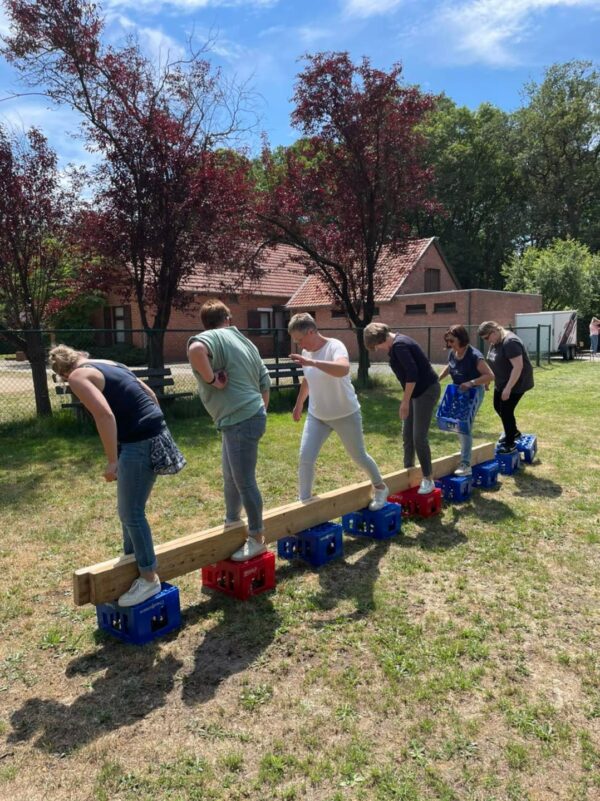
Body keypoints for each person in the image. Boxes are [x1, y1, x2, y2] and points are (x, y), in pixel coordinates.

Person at [48, 345, 184, 607]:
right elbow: (149, 394)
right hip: (154, 432)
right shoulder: (109, 362)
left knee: (131, 513)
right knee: (129, 509)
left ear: (63, 374)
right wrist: (153, 425)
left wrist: (113, 461)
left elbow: (104, 414)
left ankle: (149, 578)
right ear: (80, 356)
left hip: (139, 442)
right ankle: (132, 562)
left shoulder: (77, 377)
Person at [188, 300, 271, 562]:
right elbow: (265, 381)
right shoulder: (246, 342)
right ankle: (233, 522)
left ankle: (257, 538)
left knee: (244, 480)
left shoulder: (212, 337)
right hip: (245, 417)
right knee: (231, 476)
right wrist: (260, 410)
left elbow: (196, 349)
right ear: (228, 317)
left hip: (240, 420)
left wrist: (213, 380)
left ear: (206, 323)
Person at [287, 313, 389, 508]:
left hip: (345, 414)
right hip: (317, 416)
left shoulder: (335, 346)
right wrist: (299, 403)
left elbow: (343, 369)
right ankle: (304, 502)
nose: (298, 344)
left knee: (358, 456)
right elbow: (308, 379)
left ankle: (380, 487)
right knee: (305, 458)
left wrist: (313, 362)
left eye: (299, 339)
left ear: (311, 331)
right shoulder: (306, 353)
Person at [364, 322, 440, 495]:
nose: (378, 349)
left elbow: (412, 374)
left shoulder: (400, 346)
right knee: (407, 434)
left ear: (380, 339)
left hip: (426, 390)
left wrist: (405, 402)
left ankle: (428, 479)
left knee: (419, 436)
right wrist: (407, 399)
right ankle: (408, 472)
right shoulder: (396, 345)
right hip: (416, 392)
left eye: (376, 346)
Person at [438, 325, 494, 477]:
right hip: (458, 391)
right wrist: (438, 379)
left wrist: (471, 382)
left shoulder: (474, 355)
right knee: (458, 424)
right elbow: (450, 367)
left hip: (473, 392)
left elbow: (490, 375)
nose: (449, 344)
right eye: (447, 341)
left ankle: (465, 464)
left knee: (464, 425)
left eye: (451, 340)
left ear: (461, 339)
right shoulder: (453, 352)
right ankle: (464, 452)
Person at [477, 321, 534, 453]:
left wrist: (508, 388)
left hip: (517, 382)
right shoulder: (495, 342)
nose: (487, 341)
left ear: (494, 331)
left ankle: (510, 444)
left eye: (487, 338)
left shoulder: (510, 342)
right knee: (498, 406)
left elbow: (518, 367)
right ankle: (514, 432)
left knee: (506, 411)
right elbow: (493, 361)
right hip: (502, 381)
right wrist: (488, 379)